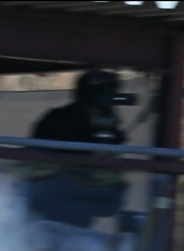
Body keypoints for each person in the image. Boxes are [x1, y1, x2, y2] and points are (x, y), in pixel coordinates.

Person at [24, 70, 127, 230]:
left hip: (78, 220)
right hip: (45, 209)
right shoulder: (58, 119)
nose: (109, 99)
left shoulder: (107, 125)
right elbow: (37, 165)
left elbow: (109, 204)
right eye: (105, 93)